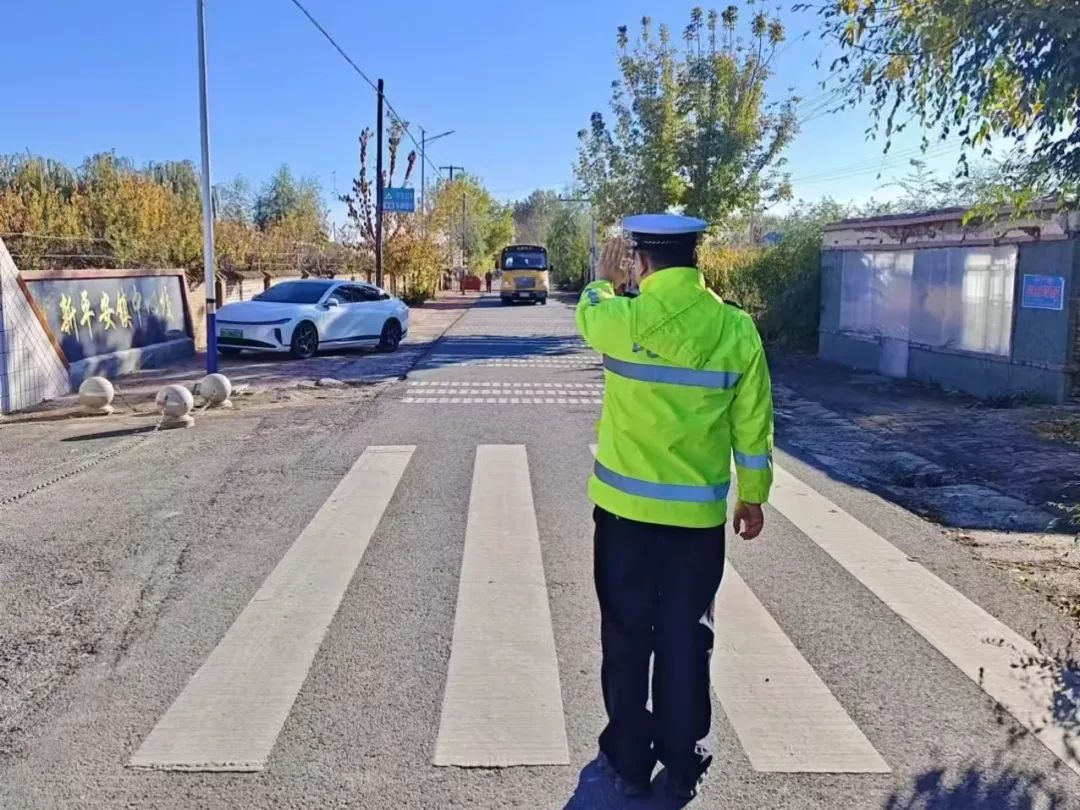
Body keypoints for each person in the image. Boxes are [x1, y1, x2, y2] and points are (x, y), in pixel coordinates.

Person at [575, 213, 774, 801]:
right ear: (697, 259)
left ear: (639, 262)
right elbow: (754, 422)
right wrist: (753, 497)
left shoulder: (621, 317)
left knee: (627, 633)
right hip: (695, 523)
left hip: (623, 518)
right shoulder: (735, 330)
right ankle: (682, 756)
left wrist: (602, 279)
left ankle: (628, 758)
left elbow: (587, 312)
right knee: (688, 636)